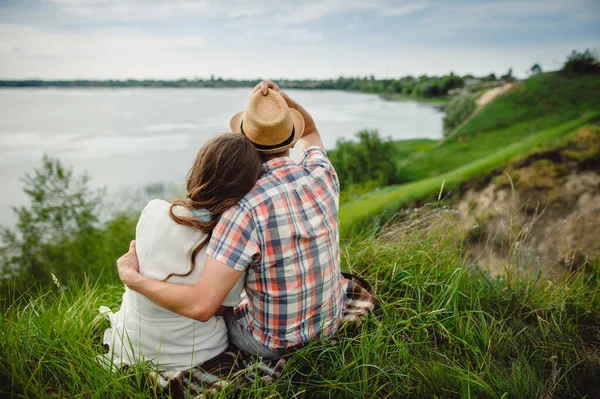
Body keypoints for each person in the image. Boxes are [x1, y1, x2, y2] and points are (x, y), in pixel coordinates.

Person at [117, 80, 347, 360]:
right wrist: (279, 99)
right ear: (291, 137)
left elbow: (202, 306)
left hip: (273, 346)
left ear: (245, 143)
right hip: (329, 324)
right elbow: (310, 130)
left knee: (224, 310)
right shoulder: (322, 173)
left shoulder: (242, 210)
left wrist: (133, 279)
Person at [100, 133, 262, 371]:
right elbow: (218, 308)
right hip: (194, 355)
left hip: (131, 344)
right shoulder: (231, 243)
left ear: (198, 168)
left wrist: (135, 279)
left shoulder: (153, 210)